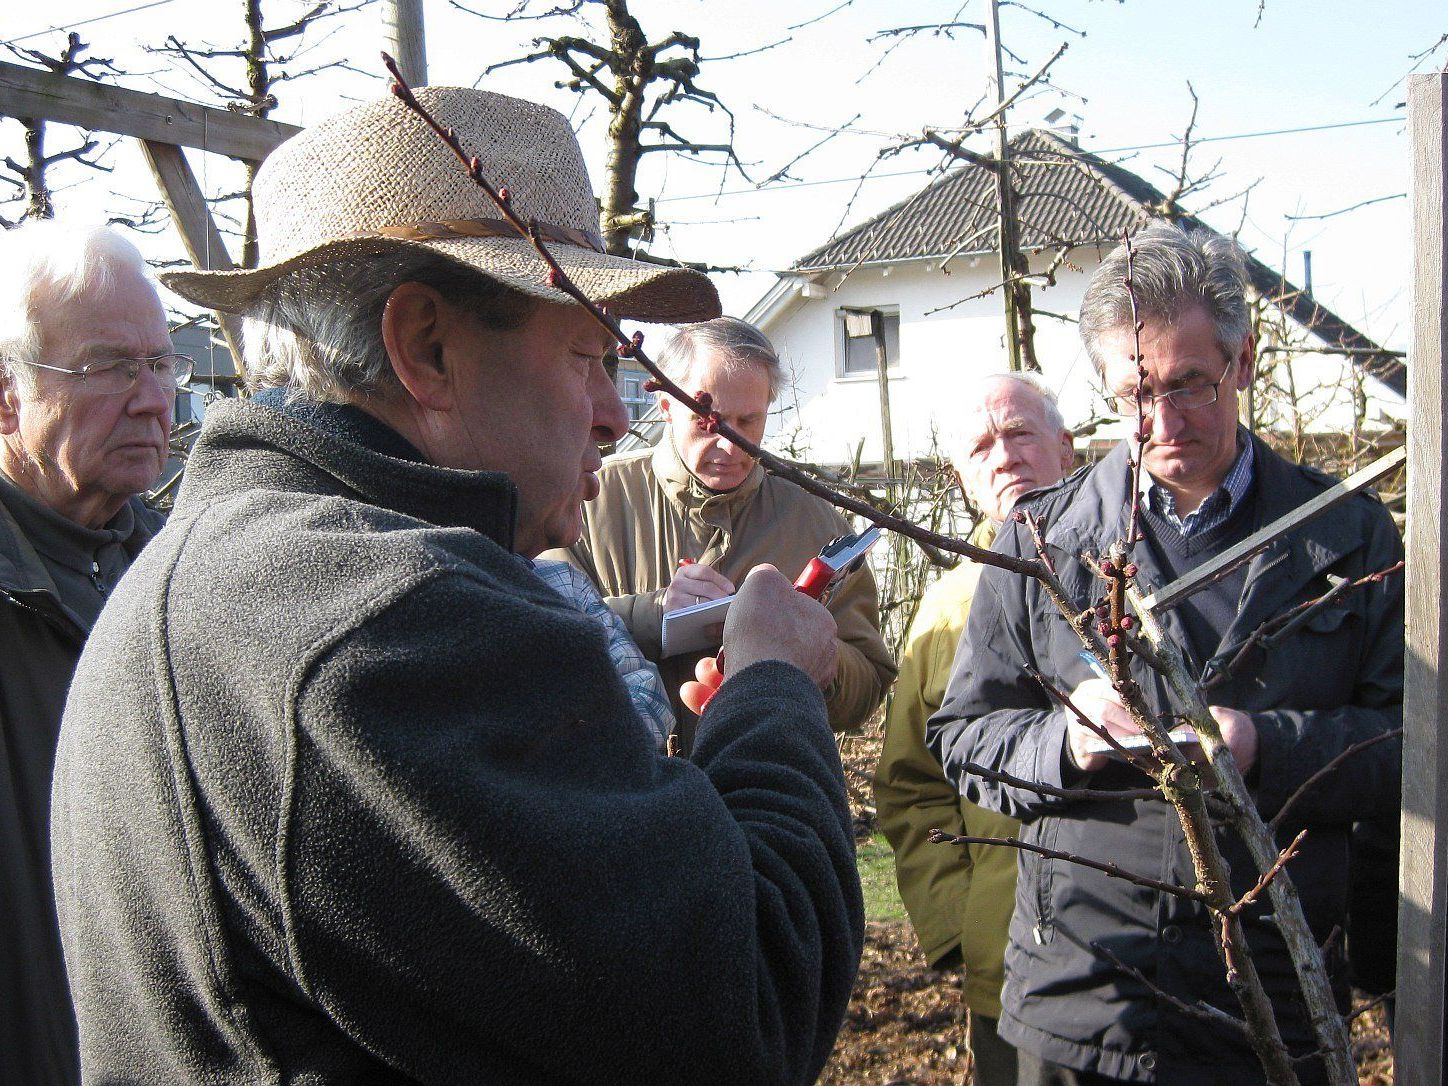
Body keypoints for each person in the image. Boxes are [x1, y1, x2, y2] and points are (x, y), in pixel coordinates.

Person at [51, 87, 864, 1085]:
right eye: (587, 356)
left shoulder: (208, 565)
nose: (615, 413)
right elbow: (747, 1012)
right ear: (425, 347)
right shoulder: (399, 625)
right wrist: (770, 687)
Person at [927, 221, 1404, 1085]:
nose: (1162, 420)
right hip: (1085, 994)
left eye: (1190, 383)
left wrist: (1264, 745)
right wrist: (1065, 743)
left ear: (1245, 362)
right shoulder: (1043, 539)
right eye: (1135, 391)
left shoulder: (1345, 533)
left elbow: (1405, 748)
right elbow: (963, 735)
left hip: (1275, 1000)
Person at [0, 220, 177, 1086]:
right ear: (7, 397)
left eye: (160, 363)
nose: (151, 400)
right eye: (109, 366)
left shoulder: (185, 572)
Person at [546, 316, 896, 752]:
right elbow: (535, 639)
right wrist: (655, 616)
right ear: (666, 405)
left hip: (762, 792)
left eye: (749, 422)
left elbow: (868, 684)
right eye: (708, 421)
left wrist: (811, 660)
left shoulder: (814, 520)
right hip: (614, 789)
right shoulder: (584, 496)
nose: (730, 447)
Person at [874, 371, 1074, 1086]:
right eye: (981, 447)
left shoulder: (1136, 579)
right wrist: (963, 925)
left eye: (1020, 433)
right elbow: (910, 785)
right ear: (963, 480)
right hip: (1008, 970)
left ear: (1067, 447)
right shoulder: (946, 610)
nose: (1005, 457)